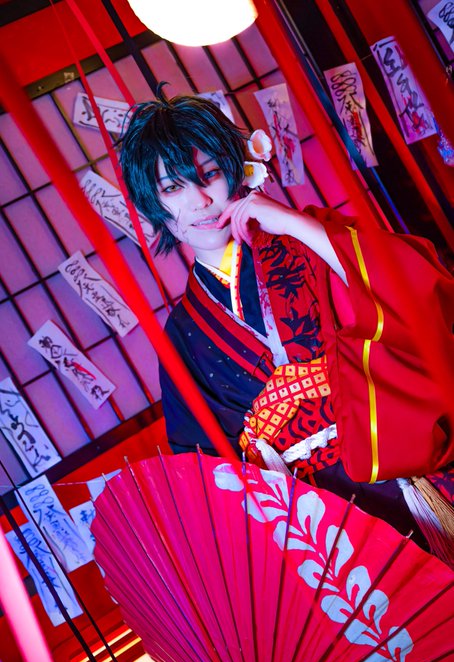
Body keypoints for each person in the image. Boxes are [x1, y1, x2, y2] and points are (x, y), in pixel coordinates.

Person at [120, 89, 454, 559]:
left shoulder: (308, 239)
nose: (200, 201)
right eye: (173, 187)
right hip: (318, 527)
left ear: (236, 170)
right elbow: (205, 467)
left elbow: (413, 293)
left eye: (209, 174)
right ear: (152, 206)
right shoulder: (182, 334)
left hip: (400, 472)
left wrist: (296, 225)